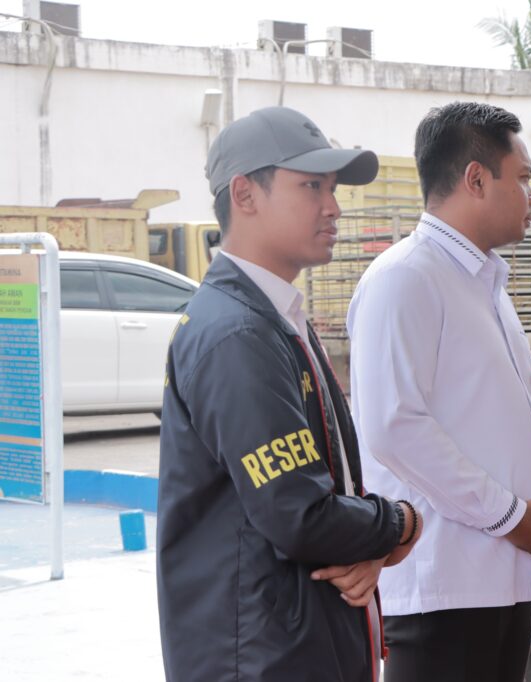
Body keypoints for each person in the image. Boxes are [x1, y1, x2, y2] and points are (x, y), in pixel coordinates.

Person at [157, 106, 422, 682]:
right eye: (311, 186)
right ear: (245, 194)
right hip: (262, 656)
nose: (333, 207)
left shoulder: (270, 316)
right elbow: (301, 515)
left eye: (332, 188)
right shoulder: (237, 333)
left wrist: (370, 541)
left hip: (291, 643)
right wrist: (400, 524)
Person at [346, 101, 531, 682]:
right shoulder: (405, 277)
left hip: (499, 581)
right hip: (443, 594)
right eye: (524, 177)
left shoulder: (484, 284)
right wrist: (514, 517)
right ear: (476, 179)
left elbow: (496, 422)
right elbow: (393, 428)